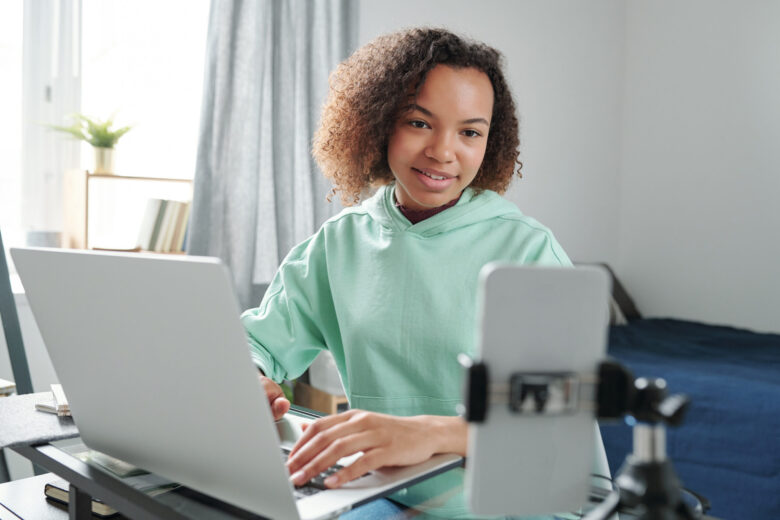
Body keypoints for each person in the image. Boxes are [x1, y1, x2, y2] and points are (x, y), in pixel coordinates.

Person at [242, 27, 609, 519]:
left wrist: (431, 433)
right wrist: (252, 377)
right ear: (377, 124)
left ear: (490, 142)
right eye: (419, 123)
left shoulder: (527, 250)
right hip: (387, 493)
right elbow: (257, 342)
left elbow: (559, 422)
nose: (443, 151)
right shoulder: (339, 244)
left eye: (470, 132)